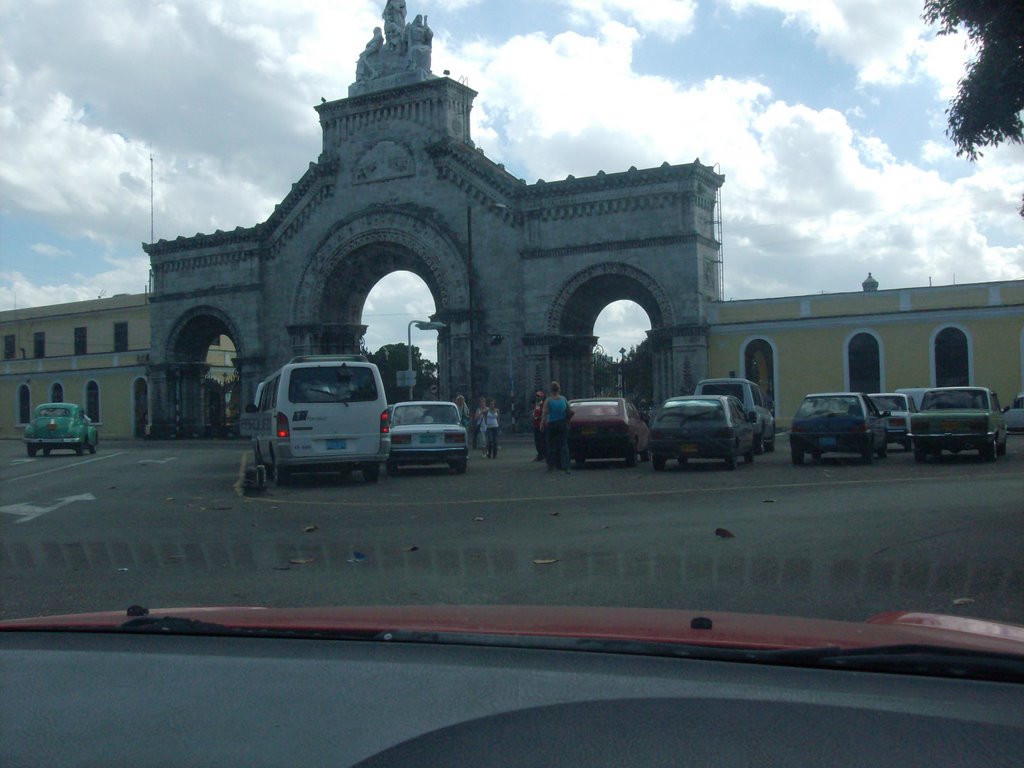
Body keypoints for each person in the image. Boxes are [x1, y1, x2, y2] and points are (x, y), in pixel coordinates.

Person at [541, 381, 572, 473]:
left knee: (551, 445)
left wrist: (542, 424)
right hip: (562, 423)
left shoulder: (549, 400)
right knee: (563, 445)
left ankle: (551, 466)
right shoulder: (563, 399)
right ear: (559, 389)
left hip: (552, 424)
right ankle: (566, 466)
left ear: (551, 390)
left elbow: (545, 413)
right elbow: (568, 411)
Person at [531, 390, 546, 461]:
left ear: (542, 397)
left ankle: (543, 455)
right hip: (535, 425)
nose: (538, 397)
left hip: (541, 425)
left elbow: (544, 415)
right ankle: (540, 454)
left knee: (542, 441)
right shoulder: (536, 405)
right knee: (537, 441)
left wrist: (538, 418)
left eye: (539, 396)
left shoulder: (543, 405)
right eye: (537, 396)